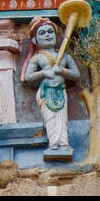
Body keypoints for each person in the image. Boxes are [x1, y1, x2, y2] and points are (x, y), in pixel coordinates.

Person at [20, 17, 81, 160]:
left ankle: (64, 144)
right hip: (46, 91)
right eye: (42, 33)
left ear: (56, 35)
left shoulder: (64, 55)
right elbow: (28, 76)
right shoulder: (37, 58)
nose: (47, 35)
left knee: (62, 118)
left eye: (50, 32)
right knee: (51, 118)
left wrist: (63, 71)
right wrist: (44, 73)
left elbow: (76, 74)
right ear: (35, 41)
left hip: (60, 89)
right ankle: (53, 144)